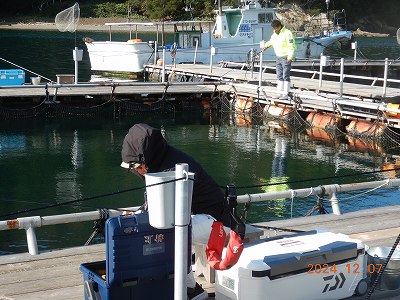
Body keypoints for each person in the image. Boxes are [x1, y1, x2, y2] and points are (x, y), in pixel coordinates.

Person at [120, 123, 231, 300]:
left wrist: (142, 215)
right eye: (133, 169)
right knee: (171, 227)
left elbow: (167, 214)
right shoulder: (159, 162)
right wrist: (139, 213)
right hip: (198, 218)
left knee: (172, 231)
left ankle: (189, 289)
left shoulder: (170, 170)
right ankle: (181, 283)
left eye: (138, 166)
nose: (138, 172)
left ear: (147, 159)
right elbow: (154, 204)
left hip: (218, 223)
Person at [261, 19, 296, 99]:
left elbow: (292, 46)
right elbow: (271, 42)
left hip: (285, 57)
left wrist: (290, 57)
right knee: (279, 75)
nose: (275, 29)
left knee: (285, 76)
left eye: (276, 28)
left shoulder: (288, 33)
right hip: (278, 57)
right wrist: (265, 46)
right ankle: (279, 93)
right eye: (273, 28)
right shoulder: (274, 34)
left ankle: (285, 94)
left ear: (279, 26)